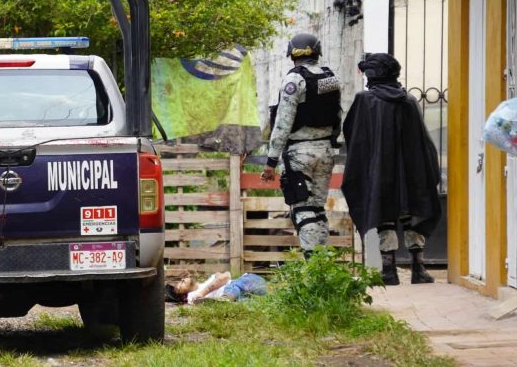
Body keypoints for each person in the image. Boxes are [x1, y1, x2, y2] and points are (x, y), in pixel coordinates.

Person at [341, 53, 441, 285]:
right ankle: (419, 268)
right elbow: (423, 141)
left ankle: (388, 271)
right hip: (409, 171)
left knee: (383, 212)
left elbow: (354, 137)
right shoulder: (408, 101)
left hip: (379, 170)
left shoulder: (365, 101)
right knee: (412, 212)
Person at [261, 33, 342, 256]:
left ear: (291, 55)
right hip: (325, 150)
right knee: (317, 208)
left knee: (302, 209)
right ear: (317, 52)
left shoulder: (293, 80)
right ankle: (324, 265)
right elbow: (337, 115)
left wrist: (271, 161)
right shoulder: (330, 78)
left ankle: (312, 262)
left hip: (300, 152)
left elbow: (283, 122)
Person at [165, 272, 267, 304]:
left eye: (181, 280)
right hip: (234, 289)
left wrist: (205, 291)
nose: (182, 280)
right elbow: (223, 278)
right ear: (183, 297)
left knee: (238, 284)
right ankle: (227, 298)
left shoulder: (207, 282)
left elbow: (226, 276)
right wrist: (202, 294)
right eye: (179, 286)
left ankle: (227, 298)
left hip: (246, 282)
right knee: (243, 298)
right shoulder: (192, 297)